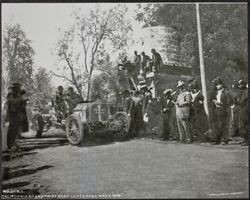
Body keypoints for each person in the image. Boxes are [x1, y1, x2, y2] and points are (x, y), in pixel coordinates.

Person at [5, 83, 28, 151]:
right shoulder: (11, 95)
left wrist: (23, 102)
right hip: (13, 115)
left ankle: (14, 145)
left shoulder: (17, 95)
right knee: (12, 130)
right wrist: (21, 99)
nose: (19, 89)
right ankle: (10, 146)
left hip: (18, 115)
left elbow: (20, 105)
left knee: (16, 131)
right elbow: (13, 103)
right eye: (18, 87)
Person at [210, 77, 232, 145]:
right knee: (217, 125)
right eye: (216, 85)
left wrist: (221, 103)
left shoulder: (226, 92)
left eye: (218, 84)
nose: (217, 86)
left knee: (224, 125)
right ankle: (217, 139)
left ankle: (225, 139)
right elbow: (213, 99)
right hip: (217, 109)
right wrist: (215, 102)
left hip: (224, 110)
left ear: (222, 84)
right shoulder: (217, 92)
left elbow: (229, 102)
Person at [234, 79, 248, 145]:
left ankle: (248, 141)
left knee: (246, 125)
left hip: (246, 111)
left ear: (244, 85)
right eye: (239, 84)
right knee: (243, 126)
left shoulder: (246, 92)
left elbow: (241, 102)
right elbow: (236, 98)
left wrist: (236, 101)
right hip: (242, 110)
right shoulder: (241, 92)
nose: (239, 86)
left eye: (240, 84)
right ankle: (245, 139)